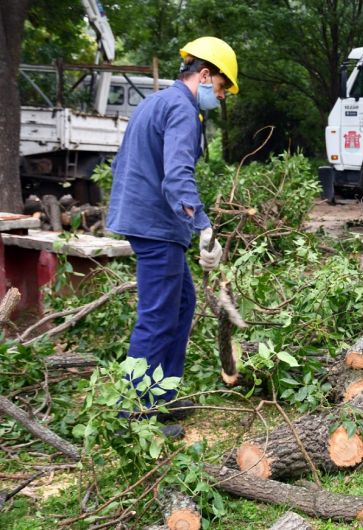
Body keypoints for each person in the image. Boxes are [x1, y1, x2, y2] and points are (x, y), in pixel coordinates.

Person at [107, 37, 239, 436]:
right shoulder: (181, 109)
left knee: (182, 304)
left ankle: (161, 395)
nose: (218, 98)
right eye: (218, 89)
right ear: (203, 75)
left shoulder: (155, 102)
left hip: (150, 222)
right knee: (158, 317)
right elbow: (177, 175)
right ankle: (134, 415)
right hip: (156, 227)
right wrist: (202, 226)